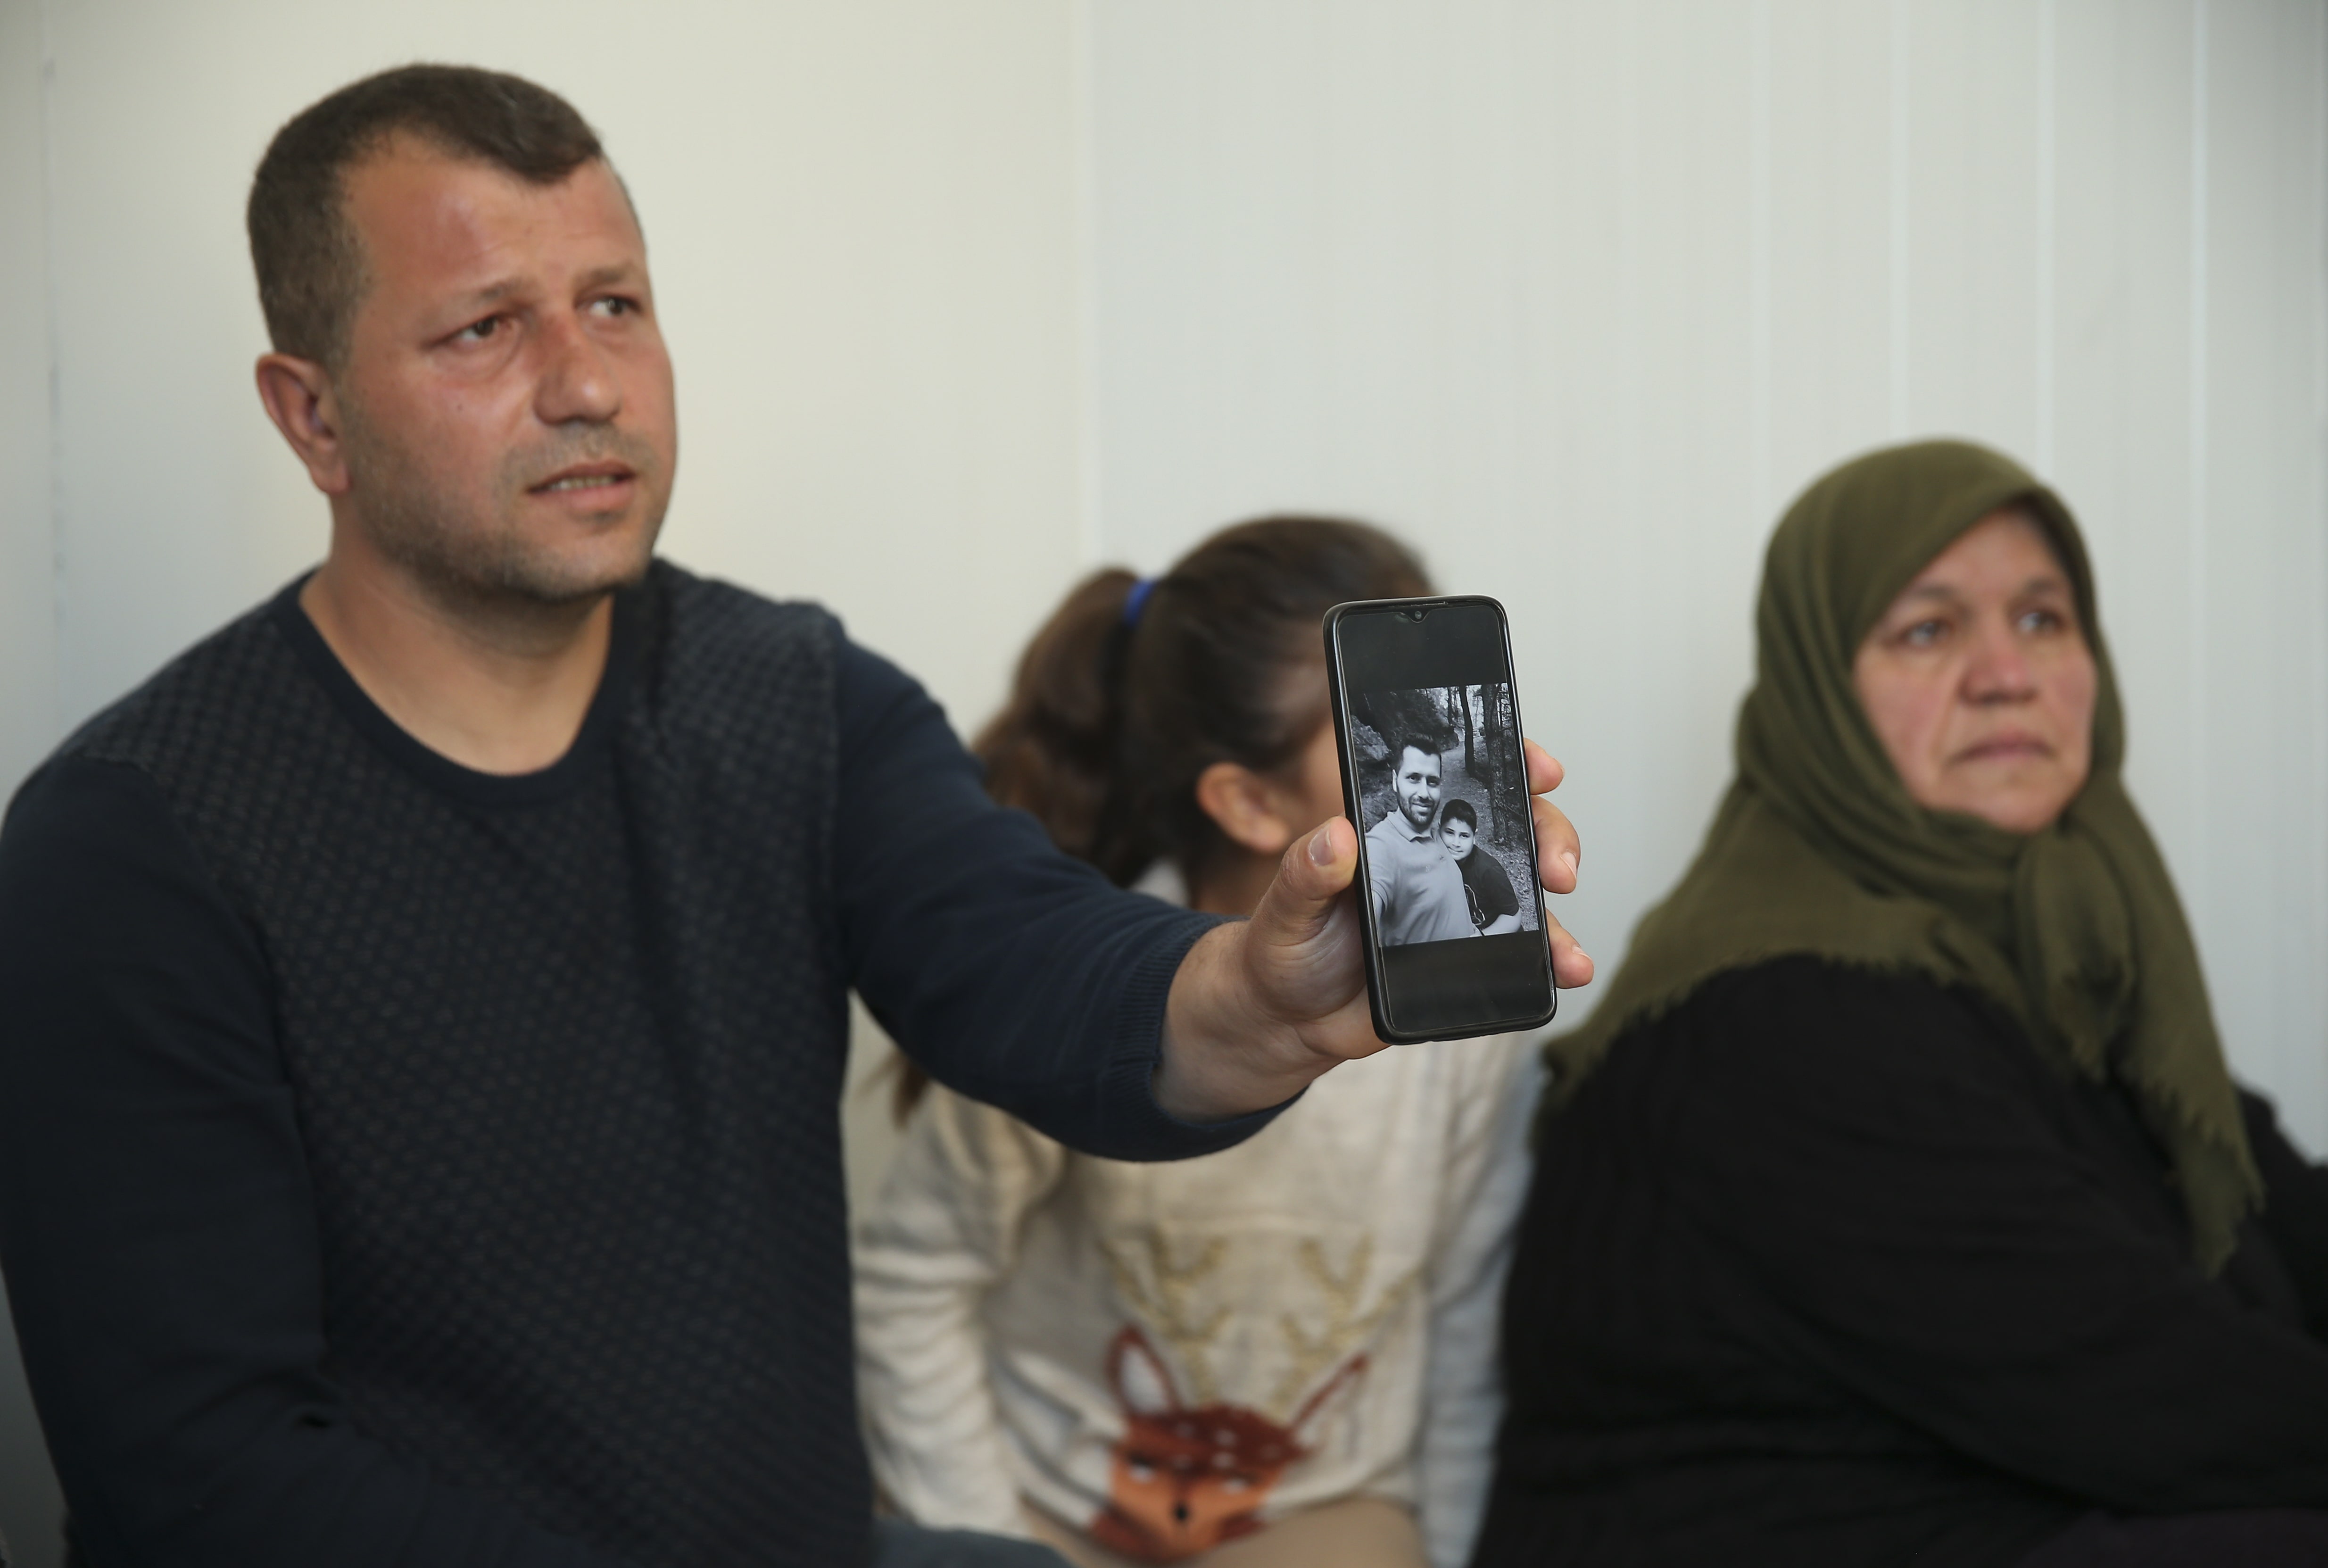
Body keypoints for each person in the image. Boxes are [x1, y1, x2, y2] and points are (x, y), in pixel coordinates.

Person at [0, 66, 1593, 1568]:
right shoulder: (130, 844)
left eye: (614, 303)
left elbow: (1028, 963)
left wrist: (1253, 999)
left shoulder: (792, 694)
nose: (585, 380)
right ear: (313, 416)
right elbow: (199, 1473)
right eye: (484, 328)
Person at [1474, 440, 2328, 1568]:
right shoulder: (1784, 1013)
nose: (2006, 674)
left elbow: (2311, 1248)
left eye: (2042, 619)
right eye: (1926, 631)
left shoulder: (2068, 960)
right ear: (1814, 702)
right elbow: (2151, 1393)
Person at [855, 518, 1543, 1568]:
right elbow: (912, 1288)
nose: (1433, 784)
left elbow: (1462, 1322)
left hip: (1317, 1525)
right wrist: (991, 1547)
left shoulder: (1465, 1029)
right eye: (1378, 740)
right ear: (1248, 803)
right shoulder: (1077, 993)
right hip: (1052, 1515)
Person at [1364, 721, 1478, 946]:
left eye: (1433, 782)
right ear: (1395, 781)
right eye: (1413, 778)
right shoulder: (1381, 846)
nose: (1424, 793)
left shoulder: (1438, 835)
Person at [1436, 801, 1522, 936]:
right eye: (1450, 833)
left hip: (1495, 935)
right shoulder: (1435, 859)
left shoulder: (1489, 870)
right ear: (1439, 829)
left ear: (1474, 837)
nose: (1456, 843)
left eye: (1464, 836)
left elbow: (1514, 916)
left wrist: (1482, 937)